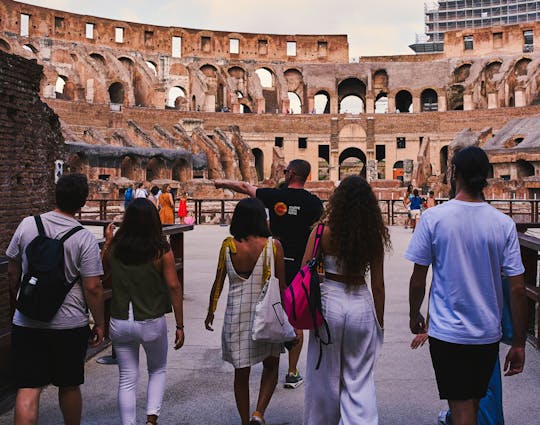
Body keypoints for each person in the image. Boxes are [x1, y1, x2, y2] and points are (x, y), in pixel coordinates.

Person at [406, 146, 529, 425]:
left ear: (455, 174)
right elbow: (518, 288)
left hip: (448, 333)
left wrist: (415, 314)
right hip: (487, 333)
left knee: (462, 410)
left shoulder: (434, 218)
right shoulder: (503, 224)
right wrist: (519, 341)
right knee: (471, 404)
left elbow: (418, 277)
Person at [215, 159, 323, 389]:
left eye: (286, 171)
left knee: (268, 306)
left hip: (273, 260)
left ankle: (267, 358)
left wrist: (221, 182)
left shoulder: (274, 197)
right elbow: (318, 231)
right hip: (300, 266)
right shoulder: (314, 203)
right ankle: (292, 372)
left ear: (291, 173)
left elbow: (245, 187)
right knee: (296, 317)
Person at [6, 173, 105, 425]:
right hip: (69, 324)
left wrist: (17, 303)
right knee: (69, 386)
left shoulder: (28, 224)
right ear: (82, 202)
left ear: (55, 194)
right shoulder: (84, 238)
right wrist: (100, 323)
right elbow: (93, 287)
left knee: (27, 389)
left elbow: (12, 270)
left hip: (27, 320)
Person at [301, 175, 388, 425]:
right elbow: (378, 285)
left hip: (329, 301)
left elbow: (304, 270)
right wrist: (378, 321)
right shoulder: (373, 234)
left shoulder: (322, 231)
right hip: (360, 302)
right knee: (359, 377)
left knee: (323, 376)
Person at [102, 198, 185, 425]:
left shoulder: (116, 247)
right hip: (150, 319)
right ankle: (150, 420)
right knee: (157, 370)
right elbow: (173, 286)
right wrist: (180, 324)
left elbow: (104, 270)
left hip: (120, 320)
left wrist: (108, 241)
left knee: (127, 378)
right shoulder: (160, 249)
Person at [204, 198, 286, 425]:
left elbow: (218, 280)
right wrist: (288, 319)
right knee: (271, 365)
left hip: (236, 315)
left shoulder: (229, 246)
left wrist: (211, 310)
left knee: (242, 371)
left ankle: (243, 420)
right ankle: (258, 413)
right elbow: (281, 286)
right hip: (267, 315)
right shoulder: (273, 246)